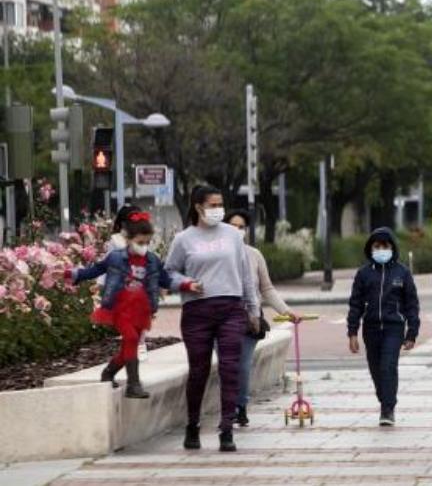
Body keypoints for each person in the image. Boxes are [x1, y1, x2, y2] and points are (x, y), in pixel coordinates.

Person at [164, 185, 260, 453]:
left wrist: (253, 310)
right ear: (198, 207)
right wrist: (185, 283)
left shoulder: (232, 236)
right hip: (197, 312)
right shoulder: (184, 239)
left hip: (231, 308)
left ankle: (227, 429)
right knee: (199, 371)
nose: (219, 209)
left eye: (221, 204)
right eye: (213, 205)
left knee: (231, 370)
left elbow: (245, 275)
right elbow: (168, 273)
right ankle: (192, 425)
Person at [67, 210, 198, 399]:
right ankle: (133, 384)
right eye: (140, 242)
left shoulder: (152, 260)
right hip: (120, 306)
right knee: (129, 338)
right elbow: (95, 270)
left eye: (147, 242)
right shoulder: (115, 257)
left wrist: (186, 284)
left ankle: (109, 372)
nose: (144, 246)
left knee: (131, 344)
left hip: (141, 308)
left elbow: (165, 280)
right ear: (128, 239)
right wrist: (72, 274)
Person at [224, 209, 298, 428]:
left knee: (243, 365)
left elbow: (266, 289)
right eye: (232, 226)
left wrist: (286, 311)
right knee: (227, 365)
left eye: (241, 227)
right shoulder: (217, 255)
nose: (237, 231)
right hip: (222, 318)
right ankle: (228, 408)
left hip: (250, 320)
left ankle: (240, 407)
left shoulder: (254, 255)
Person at [347, 227, 421, 426]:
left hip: (393, 328)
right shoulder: (363, 274)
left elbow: (411, 304)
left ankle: (387, 409)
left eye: (385, 246)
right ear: (371, 249)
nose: (381, 250)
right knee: (376, 370)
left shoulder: (402, 273)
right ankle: (385, 399)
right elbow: (355, 304)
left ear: (392, 248)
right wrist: (352, 332)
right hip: (370, 329)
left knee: (388, 366)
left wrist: (412, 333)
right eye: (377, 246)